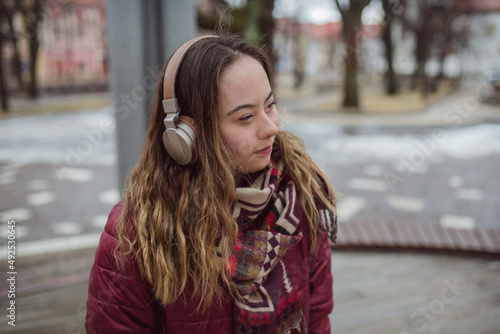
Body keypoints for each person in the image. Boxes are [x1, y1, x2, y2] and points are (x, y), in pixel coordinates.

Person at [85, 34, 337, 334]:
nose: (271, 128)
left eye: (270, 105)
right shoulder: (137, 234)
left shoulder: (300, 197)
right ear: (186, 136)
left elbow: (318, 317)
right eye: (245, 117)